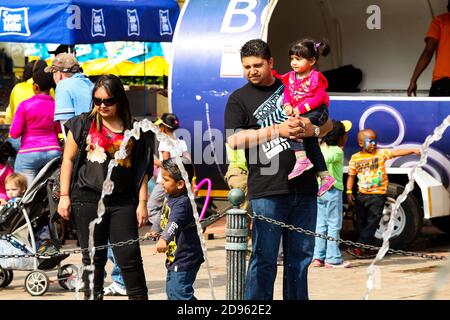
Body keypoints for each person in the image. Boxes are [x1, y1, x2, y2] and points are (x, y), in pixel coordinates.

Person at [224, 39, 332, 300]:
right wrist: (276, 130)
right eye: (247, 66)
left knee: (300, 261)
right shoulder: (239, 99)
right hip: (267, 191)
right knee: (264, 260)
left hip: (305, 189)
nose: (252, 71)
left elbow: (329, 124)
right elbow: (234, 140)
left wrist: (312, 130)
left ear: (271, 63)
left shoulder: (294, 85)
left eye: (257, 65)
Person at [57, 74, 153, 300]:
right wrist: (64, 195)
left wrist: (142, 203)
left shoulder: (134, 129)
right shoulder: (82, 123)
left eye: (108, 101)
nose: (102, 106)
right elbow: (68, 160)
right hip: (87, 198)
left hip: (122, 201)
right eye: (97, 101)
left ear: (119, 99)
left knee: (129, 256)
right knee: (93, 259)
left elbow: (141, 170)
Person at [346, 129, 420, 258]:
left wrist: (412, 150)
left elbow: (396, 153)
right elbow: (351, 176)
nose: (374, 144)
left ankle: (359, 247)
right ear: (361, 143)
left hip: (377, 195)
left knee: (373, 222)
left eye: (375, 141)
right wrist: (348, 191)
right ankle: (369, 248)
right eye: (370, 141)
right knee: (362, 223)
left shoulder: (381, 154)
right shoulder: (355, 158)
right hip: (361, 195)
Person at [278, 39, 335, 196]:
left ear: (312, 61)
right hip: (303, 111)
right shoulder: (291, 77)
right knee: (311, 144)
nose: (294, 63)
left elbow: (319, 98)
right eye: (292, 59)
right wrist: (287, 105)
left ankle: (302, 160)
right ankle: (325, 176)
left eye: (298, 59)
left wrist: (300, 108)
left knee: (295, 126)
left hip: (318, 111)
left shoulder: (316, 77)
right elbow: (288, 94)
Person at [151, 159, 204, 300]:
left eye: (166, 179)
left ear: (180, 184)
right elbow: (162, 214)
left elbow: (173, 222)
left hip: (185, 257)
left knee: (180, 293)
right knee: (172, 292)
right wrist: (155, 228)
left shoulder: (182, 203)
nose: (162, 182)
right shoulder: (170, 196)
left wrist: (163, 239)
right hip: (175, 255)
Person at [9, 69, 61, 185]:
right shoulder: (57, 106)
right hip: (53, 151)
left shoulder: (24, 105)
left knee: (24, 191)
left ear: (35, 87)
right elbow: (58, 129)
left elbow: (14, 133)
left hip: (29, 153)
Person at [312, 120, 352, 268]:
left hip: (319, 191)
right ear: (339, 137)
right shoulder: (337, 152)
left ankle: (318, 256)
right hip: (333, 190)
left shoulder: (319, 149)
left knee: (320, 224)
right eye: (344, 134)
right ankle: (333, 258)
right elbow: (328, 158)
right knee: (334, 224)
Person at [147, 113, 192, 234]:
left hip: (166, 180)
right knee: (171, 206)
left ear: (163, 127)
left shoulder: (164, 142)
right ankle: (169, 227)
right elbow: (189, 162)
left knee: (151, 208)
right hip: (178, 181)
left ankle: (165, 228)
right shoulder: (181, 143)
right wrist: (193, 180)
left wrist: (151, 160)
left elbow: (166, 165)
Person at [6, 60, 51, 153]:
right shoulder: (49, 91)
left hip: (21, 141)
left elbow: (10, 116)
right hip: (49, 145)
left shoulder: (18, 88)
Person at [407, 0, 450, 97]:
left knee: (437, 112)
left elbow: (428, 52)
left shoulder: (440, 21)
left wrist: (413, 80)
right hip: (444, 84)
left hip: (444, 83)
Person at [44, 53, 94, 127]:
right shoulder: (88, 83)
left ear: (58, 73)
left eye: (53, 73)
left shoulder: (63, 86)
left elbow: (66, 125)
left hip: (81, 136)